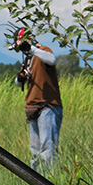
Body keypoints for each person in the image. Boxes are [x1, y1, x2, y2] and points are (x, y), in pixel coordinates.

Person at [10, 28, 62, 174]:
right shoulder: (28, 60)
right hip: (32, 108)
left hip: (48, 106)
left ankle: (50, 182)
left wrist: (32, 49)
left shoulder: (43, 51)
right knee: (35, 151)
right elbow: (18, 83)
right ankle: (37, 181)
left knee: (47, 148)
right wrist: (20, 78)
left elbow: (52, 59)